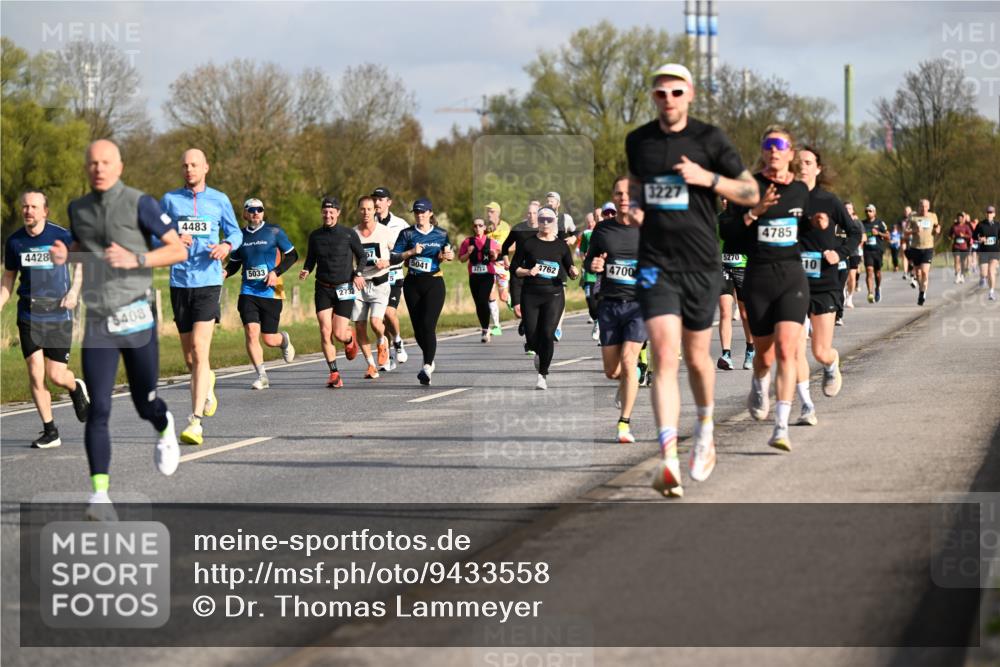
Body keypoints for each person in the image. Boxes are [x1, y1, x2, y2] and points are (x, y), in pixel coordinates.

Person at [627, 62, 759, 497]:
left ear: (690, 94)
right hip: (656, 263)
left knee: (699, 357)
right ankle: (668, 459)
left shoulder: (710, 139)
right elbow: (638, 185)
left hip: (701, 263)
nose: (669, 100)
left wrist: (709, 179)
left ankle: (705, 430)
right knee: (665, 354)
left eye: (676, 92)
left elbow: (751, 192)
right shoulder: (639, 141)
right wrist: (638, 208)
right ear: (653, 96)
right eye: (661, 93)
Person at [55, 139, 187, 518]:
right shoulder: (78, 208)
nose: (98, 168)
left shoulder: (140, 203)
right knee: (99, 408)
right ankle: (100, 496)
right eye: (93, 162)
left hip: (137, 316)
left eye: (106, 162)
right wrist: (67, 254)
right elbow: (85, 248)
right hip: (99, 320)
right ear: (87, 167)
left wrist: (136, 259)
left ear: (119, 166)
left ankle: (164, 425)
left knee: (144, 403)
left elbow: (177, 249)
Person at [720, 125, 810, 452]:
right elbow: (727, 233)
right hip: (758, 278)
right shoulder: (749, 188)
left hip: (791, 278)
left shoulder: (800, 190)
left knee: (787, 349)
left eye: (780, 145)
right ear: (763, 150)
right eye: (769, 144)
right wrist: (754, 213)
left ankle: (781, 426)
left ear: (790, 153)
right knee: (765, 355)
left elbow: (809, 230)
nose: (774, 150)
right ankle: (759, 384)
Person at [159, 148, 242, 446]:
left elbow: (236, 233)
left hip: (208, 281)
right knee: (190, 358)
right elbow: (154, 233)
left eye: (194, 164)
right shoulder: (170, 200)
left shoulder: (219, 200)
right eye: (185, 165)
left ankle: (195, 422)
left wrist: (226, 246)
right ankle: (207, 382)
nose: (189, 169)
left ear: (206, 167)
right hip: (180, 282)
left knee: (199, 347)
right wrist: (171, 237)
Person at [1, 190, 90, 448]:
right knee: (35, 371)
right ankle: (51, 431)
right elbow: (8, 278)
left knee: (56, 375)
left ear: (45, 211)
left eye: (34, 207)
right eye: (25, 206)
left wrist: (74, 292)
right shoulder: (14, 242)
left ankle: (75, 387)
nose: (28, 211)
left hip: (58, 314)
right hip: (29, 314)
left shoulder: (61, 236)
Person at [795, 146, 856, 424]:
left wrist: (839, 253)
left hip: (824, 281)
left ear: (817, 169)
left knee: (819, 350)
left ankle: (831, 363)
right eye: (798, 162)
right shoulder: (785, 197)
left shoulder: (829, 201)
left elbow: (854, 232)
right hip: (793, 281)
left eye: (808, 162)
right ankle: (806, 405)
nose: (802, 166)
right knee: (795, 348)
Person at [585, 178, 645, 442]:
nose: (624, 198)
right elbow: (590, 260)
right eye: (619, 193)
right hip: (609, 304)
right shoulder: (603, 229)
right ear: (613, 196)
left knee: (629, 360)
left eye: (629, 193)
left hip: (639, 305)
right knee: (613, 371)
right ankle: (629, 379)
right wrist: (594, 265)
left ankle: (624, 423)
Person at [223, 198, 297, 389]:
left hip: (272, 291)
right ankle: (262, 375)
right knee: (251, 332)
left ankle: (283, 340)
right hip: (248, 291)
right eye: (251, 209)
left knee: (269, 339)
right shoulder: (239, 236)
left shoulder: (274, 231)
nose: (256, 212)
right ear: (245, 213)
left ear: (263, 212)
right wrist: (225, 272)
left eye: (259, 209)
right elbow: (234, 263)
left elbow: (292, 255)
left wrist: (276, 272)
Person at [299, 196, 366, 388]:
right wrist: (306, 270)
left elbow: (362, 257)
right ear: (322, 213)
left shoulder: (348, 234)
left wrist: (358, 274)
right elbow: (310, 259)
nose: (327, 215)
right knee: (324, 330)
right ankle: (334, 373)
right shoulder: (315, 236)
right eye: (325, 212)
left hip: (344, 287)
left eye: (331, 212)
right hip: (323, 287)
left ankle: (349, 338)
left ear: (338, 213)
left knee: (338, 333)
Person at [512, 207, 579, 390]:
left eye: (549, 219)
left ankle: (542, 375)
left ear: (555, 221)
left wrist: (574, 272)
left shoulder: (561, 246)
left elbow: (570, 269)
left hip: (554, 295)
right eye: (542, 219)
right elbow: (514, 268)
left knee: (548, 334)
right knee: (532, 338)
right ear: (538, 222)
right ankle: (538, 351)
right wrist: (528, 271)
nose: (546, 223)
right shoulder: (528, 244)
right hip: (531, 295)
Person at [391, 198, 454, 385]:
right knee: (418, 330)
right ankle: (430, 357)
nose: (420, 215)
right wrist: (411, 252)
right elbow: (393, 257)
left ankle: (426, 367)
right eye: (417, 212)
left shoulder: (441, 234)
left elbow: (447, 253)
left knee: (428, 325)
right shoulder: (407, 234)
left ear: (430, 213)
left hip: (434, 282)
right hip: (412, 283)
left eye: (423, 212)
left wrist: (448, 255)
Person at [352, 196, 394, 378]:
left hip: (379, 283)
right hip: (359, 285)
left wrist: (387, 262)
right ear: (358, 210)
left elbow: (397, 254)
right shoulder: (353, 233)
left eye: (369, 209)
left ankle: (382, 340)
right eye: (362, 209)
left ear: (375, 210)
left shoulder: (384, 232)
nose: (366, 212)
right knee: (359, 326)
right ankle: (371, 365)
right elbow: (348, 259)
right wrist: (354, 274)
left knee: (376, 322)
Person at [372, 187, 411, 369]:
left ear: (389, 202)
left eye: (381, 199)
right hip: (375, 275)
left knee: (389, 313)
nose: (377, 202)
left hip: (394, 273)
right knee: (379, 319)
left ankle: (397, 341)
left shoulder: (400, 224)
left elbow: (410, 245)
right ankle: (387, 357)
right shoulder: (369, 223)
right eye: (375, 199)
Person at [717, 197, 755, 371]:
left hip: (744, 268)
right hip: (724, 267)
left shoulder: (745, 218)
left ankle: (750, 349)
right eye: (722, 198)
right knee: (725, 310)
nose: (725, 201)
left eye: (728, 198)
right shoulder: (718, 219)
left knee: (745, 313)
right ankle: (726, 354)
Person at [502, 201, 541, 355]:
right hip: (518, 272)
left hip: (534, 275)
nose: (532, 216)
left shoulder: (543, 230)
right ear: (526, 214)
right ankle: (525, 321)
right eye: (529, 213)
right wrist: (506, 259)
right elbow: (505, 246)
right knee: (518, 311)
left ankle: (530, 342)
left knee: (533, 309)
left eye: (535, 213)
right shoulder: (518, 229)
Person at [458, 217, 501, 342]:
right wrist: (468, 253)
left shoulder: (491, 241)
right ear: (473, 228)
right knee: (478, 303)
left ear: (484, 227)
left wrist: (493, 254)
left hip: (487, 274)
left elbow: (496, 257)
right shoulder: (467, 242)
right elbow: (461, 259)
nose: (478, 228)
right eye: (475, 226)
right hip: (474, 275)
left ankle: (486, 330)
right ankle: (484, 327)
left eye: (480, 225)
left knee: (483, 300)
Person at [906, 198, 941, 305]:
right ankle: (921, 290)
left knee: (925, 272)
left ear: (928, 207)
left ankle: (922, 293)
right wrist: (914, 230)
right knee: (918, 273)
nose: (924, 208)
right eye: (922, 206)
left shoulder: (933, 216)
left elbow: (937, 226)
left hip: (928, 247)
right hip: (915, 248)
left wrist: (937, 230)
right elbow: (906, 231)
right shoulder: (913, 216)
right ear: (919, 207)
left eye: (926, 206)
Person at [484, 201, 510, 336]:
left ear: (498, 213)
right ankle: (497, 326)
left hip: (501, 264)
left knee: (503, 297)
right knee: (490, 293)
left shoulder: (504, 226)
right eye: (488, 211)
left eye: (492, 211)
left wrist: (495, 248)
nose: (489, 214)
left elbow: (502, 246)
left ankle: (512, 302)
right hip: (490, 264)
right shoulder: (486, 228)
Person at [578, 210, 601, 340]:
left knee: (602, 302)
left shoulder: (607, 231)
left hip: (602, 274)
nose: (591, 223)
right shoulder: (586, 234)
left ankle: (602, 327)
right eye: (589, 221)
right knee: (590, 301)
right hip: (589, 274)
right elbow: (582, 251)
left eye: (593, 220)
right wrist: (585, 261)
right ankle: (597, 320)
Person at [861, 204, 889, 303]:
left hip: (878, 251)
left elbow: (888, 236)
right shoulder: (862, 223)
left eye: (870, 211)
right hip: (867, 251)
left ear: (874, 212)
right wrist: (869, 234)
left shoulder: (880, 223)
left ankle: (878, 288)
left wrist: (878, 233)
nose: (868, 213)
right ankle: (870, 293)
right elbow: (861, 237)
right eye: (866, 211)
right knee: (869, 270)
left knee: (877, 273)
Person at [975, 205, 999, 300]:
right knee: (984, 273)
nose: (989, 214)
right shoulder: (981, 225)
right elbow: (974, 236)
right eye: (988, 212)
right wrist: (980, 238)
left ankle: (991, 292)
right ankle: (982, 277)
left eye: (991, 212)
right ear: (986, 214)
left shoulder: (997, 225)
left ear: (994, 214)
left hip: (994, 252)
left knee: (991, 271)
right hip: (984, 252)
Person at [843, 201, 863, 309]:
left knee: (852, 276)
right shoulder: (838, 222)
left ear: (853, 210)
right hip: (841, 252)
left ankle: (849, 298)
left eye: (849, 208)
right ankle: (842, 294)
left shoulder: (857, 223)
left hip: (854, 252)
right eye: (845, 208)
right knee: (842, 276)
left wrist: (855, 244)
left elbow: (864, 237)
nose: (847, 210)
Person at [949, 213, 974, 284]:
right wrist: (952, 236)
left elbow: (970, 235)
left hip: (964, 247)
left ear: (963, 219)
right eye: (958, 218)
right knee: (956, 260)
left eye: (961, 218)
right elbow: (950, 235)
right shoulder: (954, 226)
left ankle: (962, 275)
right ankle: (957, 276)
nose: (959, 219)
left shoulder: (966, 226)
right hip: (956, 246)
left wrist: (964, 235)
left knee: (963, 262)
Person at [899, 205, 913, 278]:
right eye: (905, 211)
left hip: (912, 239)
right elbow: (899, 230)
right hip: (903, 238)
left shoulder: (914, 219)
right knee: (904, 254)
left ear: (911, 212)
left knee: (911, 256)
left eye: (908, 211)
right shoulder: (901, 220)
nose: (906, 212)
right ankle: (905, 272)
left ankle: (911, 269)